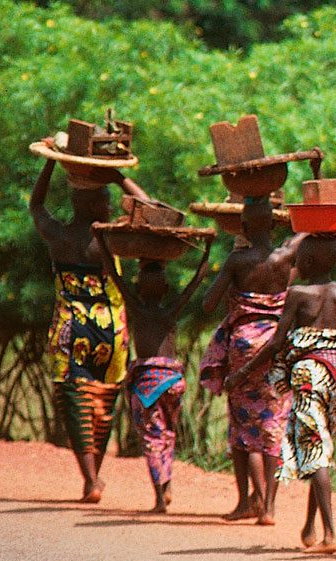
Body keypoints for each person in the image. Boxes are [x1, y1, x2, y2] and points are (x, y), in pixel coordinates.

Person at [227, 232, 336, 554]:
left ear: (310, 262)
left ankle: (330, 535)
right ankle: (310, 527)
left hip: (309, 375)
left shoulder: (299, 294)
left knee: (315, 453)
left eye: (299, 259)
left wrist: (243, 372)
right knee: (320, 448)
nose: (295, 264)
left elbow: (276, 343)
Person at [31, 158, 148, 503]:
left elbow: (36, 205)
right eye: (107, 200)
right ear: (95, 204)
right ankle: (94, 476)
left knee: (74, 399)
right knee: (104, 398)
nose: (111, 205)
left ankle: (91, 479)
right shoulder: (112, 240)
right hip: (111, 328)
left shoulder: (59, 235)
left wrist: (50, 163)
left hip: (70, 326)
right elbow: (152, 210)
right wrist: (119, 177)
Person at [200, 195, 301, 524]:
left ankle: (246, 500)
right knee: (272, 426)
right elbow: (311, 228)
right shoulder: (288, 256)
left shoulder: (238, 260)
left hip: (243, 346)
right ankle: (269, 506)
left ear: (242, 226)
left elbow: (208, 303)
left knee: (243, 426)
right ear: (275, 223)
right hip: (278, 345)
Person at [102, 240, 212, 514]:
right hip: (173, 383)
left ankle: (160, 498)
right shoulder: (170, 311)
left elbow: (113, 275)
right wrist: (207, 251)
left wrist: (104, 243)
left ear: (138, 288)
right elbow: (196, 282)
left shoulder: (136, 309)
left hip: (147, 386)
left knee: (153, 440)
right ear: (166, 289)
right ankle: (168, 484)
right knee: (168, 435)